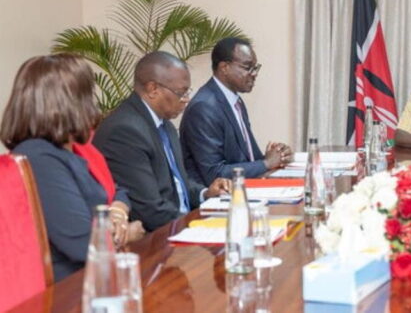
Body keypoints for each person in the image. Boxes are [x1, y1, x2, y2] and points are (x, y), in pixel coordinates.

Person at [0, 54, 144, 281]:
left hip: (95, 277)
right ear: (71, 101)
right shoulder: (40, 158)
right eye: (88, 94)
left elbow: (117, 190)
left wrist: (117, 211)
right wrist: (128, 235)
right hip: (67, 290)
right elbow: (81, 245)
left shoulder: (69, 149)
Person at [94, 51, 231, 231]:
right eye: (180, 93)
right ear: (153, 89)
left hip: (181, 226)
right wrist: (204, 225)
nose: (186, 100)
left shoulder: (164, 124)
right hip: (155, 238)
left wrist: (206, 193)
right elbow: (149, 210)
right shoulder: (125, 131)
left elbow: (177, 183)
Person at [180, 38, 293, 186]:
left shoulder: (235, 101)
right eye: (247, 67)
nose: (254, 74)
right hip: (214, 201)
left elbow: (246, 159)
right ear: (224, 67)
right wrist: (266, 163)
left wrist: (277, 155)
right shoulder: (204, 107)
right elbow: (214, 174)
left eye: (255, 68)